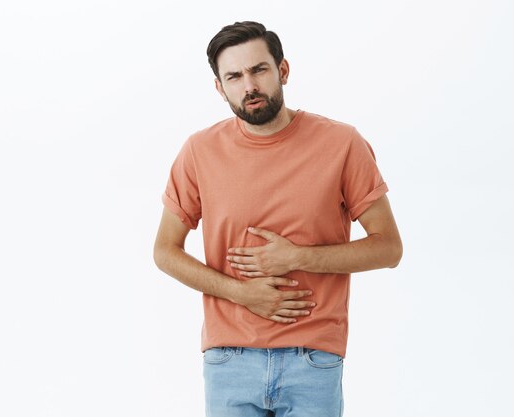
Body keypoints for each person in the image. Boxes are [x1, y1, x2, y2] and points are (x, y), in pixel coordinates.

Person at [153, 21, 402, 417]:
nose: (248, 85)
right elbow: (165, 251)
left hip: (313, 358)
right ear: (220, 88)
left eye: (259, 70)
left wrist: (298, 257)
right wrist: (240, 292)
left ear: (282, 71)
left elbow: (388, 248)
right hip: (230, 358)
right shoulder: (199, 151)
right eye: (234, 76)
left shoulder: (342, 144)